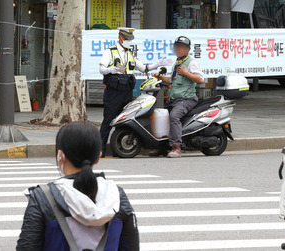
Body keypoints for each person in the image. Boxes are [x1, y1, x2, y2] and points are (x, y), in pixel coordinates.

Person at [16, 121, 139, 251]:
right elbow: (131, 246)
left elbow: (27, 246)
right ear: (98, 157)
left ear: (60, 156)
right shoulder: (117, 196)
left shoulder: (43, 197)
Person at [99, 28, 172, 157]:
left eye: (130, 39)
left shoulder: (130, 54)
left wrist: (159, 63)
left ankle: (119, 148)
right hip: (113, 92)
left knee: (125, 120)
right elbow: (101, 69)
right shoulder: (110, 52)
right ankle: (100, 149)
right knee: (109, 120)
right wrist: (111, 69)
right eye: (127, 39)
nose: (129, 41)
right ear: (120, 37)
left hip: (127, 91)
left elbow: (144, 68)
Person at [151, 36, 205, 158]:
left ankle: (176, 147)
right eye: (177, 47)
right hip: (174, 99)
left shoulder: (191, 63)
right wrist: (159, 77)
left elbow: (200, 80)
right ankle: (163, 147)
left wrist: (186, 73)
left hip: (187, 99)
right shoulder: (177, 63)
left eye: (181, 47)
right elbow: (172, 80)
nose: (178, 49)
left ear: (187, 50)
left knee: (174, 116)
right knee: (162, 118)